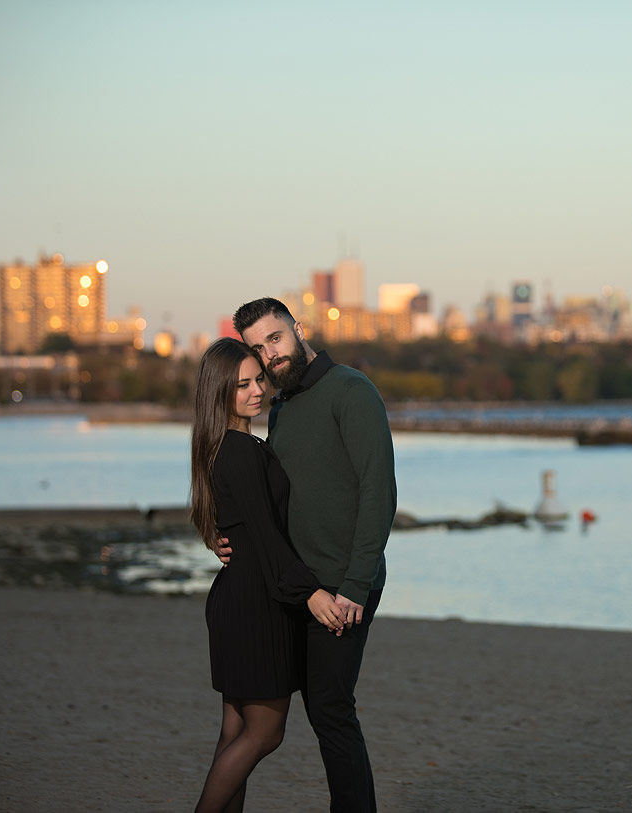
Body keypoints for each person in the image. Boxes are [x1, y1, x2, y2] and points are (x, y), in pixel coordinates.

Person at [218, 297, 396, 813]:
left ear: (297, 328)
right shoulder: (281, 406)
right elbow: (266, 499)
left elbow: (377, 493)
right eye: (258, 348)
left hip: (341, 586)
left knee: (330, 709)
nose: (269, 355)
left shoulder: (352, 391)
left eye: (274, 338)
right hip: (292, 587)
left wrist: (355, 586)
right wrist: (222, 537)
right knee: (249, 718)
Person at [189, 337, 347, 813]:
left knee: (235, 733)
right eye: (242, 385)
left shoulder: (223, 446)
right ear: (219, 392)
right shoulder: (240, 451)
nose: (257, 391)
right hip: (257, 608)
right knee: (265, 733)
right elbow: (267, 539)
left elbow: (241, 526)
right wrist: (313, 594)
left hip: (236, 601)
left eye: (258, 379)